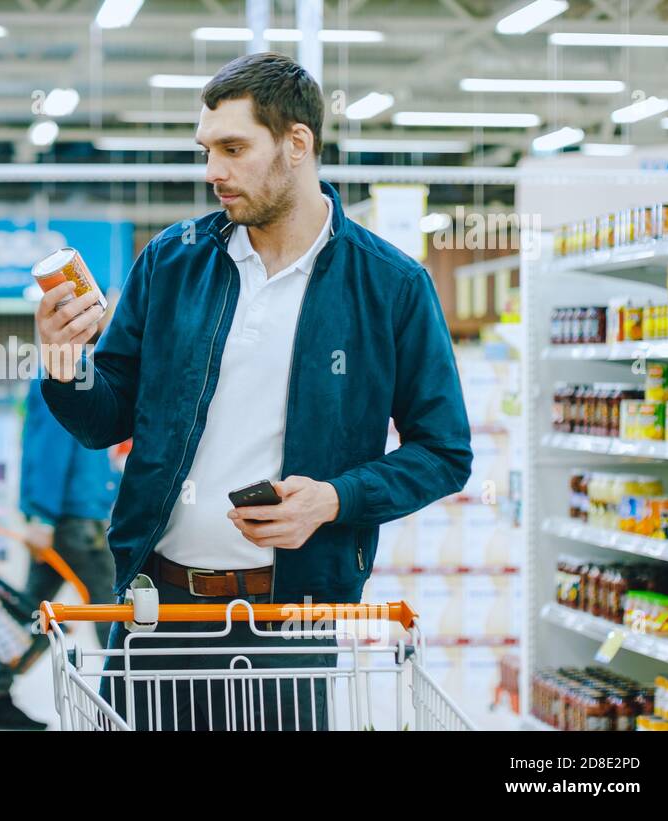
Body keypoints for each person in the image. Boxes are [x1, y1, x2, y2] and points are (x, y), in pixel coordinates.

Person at [34, 52, 473, 731]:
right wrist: (67, 364)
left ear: (297, 144)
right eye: (208, 150)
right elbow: (106, 415)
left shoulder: (391, 286)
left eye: (234, 148)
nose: (213, 171)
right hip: (158, 610)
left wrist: (334, 499)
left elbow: (445, 451)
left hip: (290, 622)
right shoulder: (172, 263)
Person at [0, 308, 122, 731]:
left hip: (75, 519)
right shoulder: (65, 376)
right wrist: (40, 517)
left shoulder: (91, 375)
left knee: (33, 614)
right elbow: (49, 454)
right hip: (74, 524)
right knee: (114, 612)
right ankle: (127, 704)